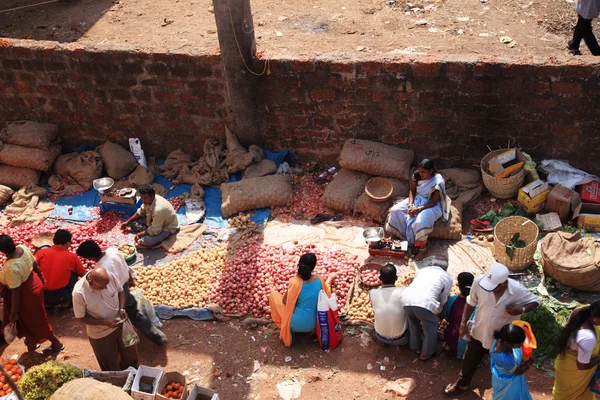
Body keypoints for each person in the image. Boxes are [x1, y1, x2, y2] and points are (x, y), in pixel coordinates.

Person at [444, 262, 540, 395]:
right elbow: (471, 302)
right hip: (480, 329)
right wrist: (463, 324)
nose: (490, 290)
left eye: (494, 287)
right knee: (470, 357)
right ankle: (462, 383)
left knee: (503, 363)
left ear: (504, 283)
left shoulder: (516, 290)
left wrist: (522, 308)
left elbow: (536, 302)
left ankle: (502, 389)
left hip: (502, 337)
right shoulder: (479, 281)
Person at [77, 240, 167, 345]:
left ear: (91, 258)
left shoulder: (102, 270)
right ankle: (153, 333)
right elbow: (125, 265)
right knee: (133, 309)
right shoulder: (113, 251)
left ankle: (156, 336)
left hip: (119, 292)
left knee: (132, 314)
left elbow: (109, 289)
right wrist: (130, 279)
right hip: (124, 284)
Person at [0, 235, 64, 354]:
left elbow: (16, 292)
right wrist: (41, 277)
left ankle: (56, 343)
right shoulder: (23, 248)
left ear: (2, 251)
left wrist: (13, 314)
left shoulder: (10, 267)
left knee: (35, 321)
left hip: (26, 295)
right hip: (34, 284)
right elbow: (35, 265)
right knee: (31, 319)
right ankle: (32, 341)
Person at [73, 267, 139, 371]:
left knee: (131, 354)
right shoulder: (79, 292)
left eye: (106, 285)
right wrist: (105, 323)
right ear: (91, 281)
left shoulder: (110, 276)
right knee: (110, 364)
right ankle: (116, 384)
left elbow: (121, 291)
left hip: (122, 324)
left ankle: (134, 375)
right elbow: (80, 318)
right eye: (101, 286)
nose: (105, 288)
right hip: (101, 334)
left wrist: (121, 309)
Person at [385, 159, 451, 261]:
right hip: (417, 199)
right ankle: (402, 236)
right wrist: (411, 205)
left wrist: (418, 209)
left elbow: (434, 202)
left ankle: (422, 248)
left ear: (431, 170)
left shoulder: (438, 181)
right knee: (395, 210)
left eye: (424, 172)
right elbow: (412, 191)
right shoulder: (417, 175)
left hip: (431, 205)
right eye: (420, 171)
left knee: (420, 221)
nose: (421, 174)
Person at [269, 253, 336, 346]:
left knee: (274, 295)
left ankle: (290, 333)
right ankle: (312, 331)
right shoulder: (319, 279)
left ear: (299, 265)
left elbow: (285, 302)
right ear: (314, 266)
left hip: (294, 323)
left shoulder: (295, 282)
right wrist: (330, 279)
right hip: (314, 324)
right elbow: (326, 294)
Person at [402, 260, 452, 361]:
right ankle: (426, 353)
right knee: (431, 328)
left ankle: (416, 347)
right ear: (446, 269)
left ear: (432, 264)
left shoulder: (422, 270)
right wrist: (439, 309)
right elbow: (443, 298)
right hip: (424, 303)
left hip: (406, 299)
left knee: (413, 324)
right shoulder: (446, 277)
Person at [552, 301, 600, 400]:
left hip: (564, 360)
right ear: (596, 319)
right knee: (567, 397)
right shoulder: (588, 337)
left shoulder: (583, 310)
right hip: (574, 372)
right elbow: (582, 365)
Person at [35, 229, 87, 309]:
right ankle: (65, 302)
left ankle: (47, 303)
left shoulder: (41, 253)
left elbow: (30, 267)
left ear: (53, 241)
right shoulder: (72, 257)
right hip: (61, 295)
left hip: (42, 294)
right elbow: (84, 274)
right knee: (75, 272)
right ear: (67, 243)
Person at [369, 264, 409, 346]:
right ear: (396, 278)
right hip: (401, 339)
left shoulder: (372, 293)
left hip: (380, 337)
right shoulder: (405, 291)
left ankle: (383, 342)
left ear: (380, 278)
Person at [490, 323, 534, 400]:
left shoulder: (502, 338)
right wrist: (529, 362)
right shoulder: (503, 358)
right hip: (507, 387)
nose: (521, 345)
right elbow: (518, 371)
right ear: (507, 343)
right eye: (520, 344)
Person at [442, 272, 476, 359]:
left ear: (458, 285)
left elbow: (446, 316)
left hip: (453, 338)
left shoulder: (452, 301)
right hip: (471, 340)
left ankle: (450, 347)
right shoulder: (479, 305)